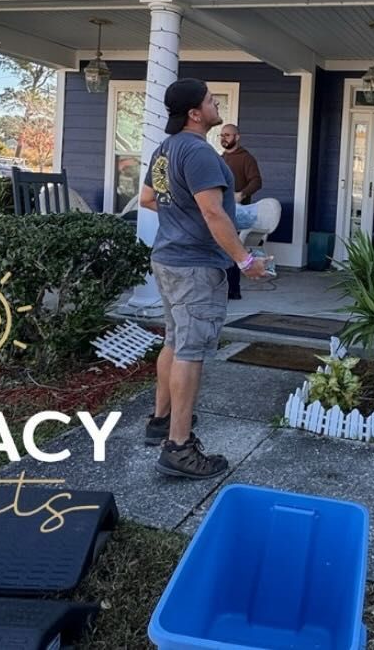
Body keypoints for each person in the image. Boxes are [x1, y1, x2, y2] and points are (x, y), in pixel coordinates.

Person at [140, 77, 268, 478]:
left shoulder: (164, 151)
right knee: (191, 351)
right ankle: (178, 447)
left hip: (168, 258)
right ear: (195, 113)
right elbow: (213, 212)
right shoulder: (198, 153)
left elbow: (148, 199)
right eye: (212, 101)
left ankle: (161, 420)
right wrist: (245, 260)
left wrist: (182, 215)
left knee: (175, 341)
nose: (218, 107)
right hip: (195, 266)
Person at [219, 123, 263, 300]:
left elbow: (257, 181)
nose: (224, 138)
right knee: (221, 248)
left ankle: (233, 290)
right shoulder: (220, 158)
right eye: (222, 135)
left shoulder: (246, 158)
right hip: (219, 211)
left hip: (237, 212)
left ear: (237, 137)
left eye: (227, 135)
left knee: (232, 248)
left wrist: (242, 194)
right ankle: (222, 288)